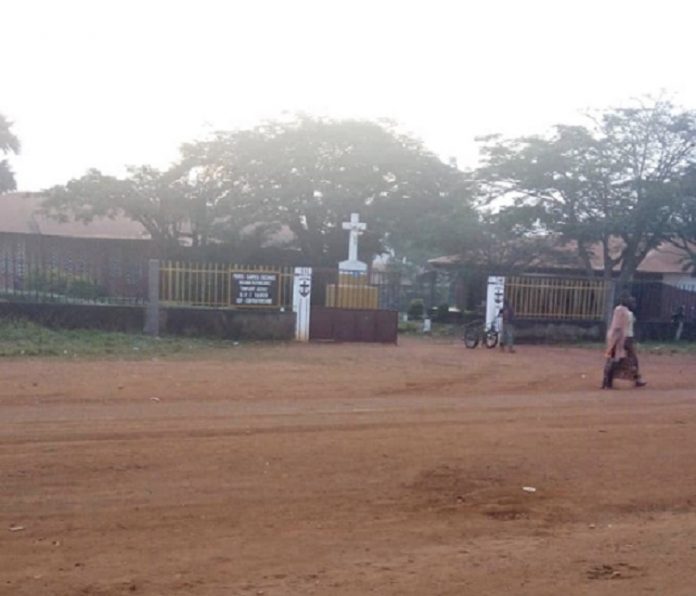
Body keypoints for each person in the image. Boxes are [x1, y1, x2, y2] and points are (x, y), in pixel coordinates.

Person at [602, 293, 646, 389]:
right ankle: (636, 378)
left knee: (613, 359)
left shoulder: (617, 310)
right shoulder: (627, 314)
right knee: (632, 360)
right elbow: (624, 328)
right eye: (632, 302)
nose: (634, 304)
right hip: (624, 338)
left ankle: (606, 381)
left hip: (614, 337)